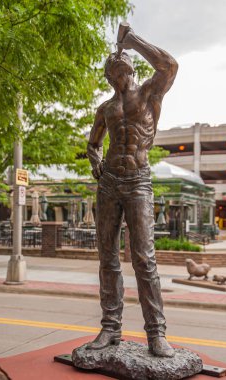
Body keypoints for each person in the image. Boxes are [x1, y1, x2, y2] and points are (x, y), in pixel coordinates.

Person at [86, 25, 178, 357]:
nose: (118, 77)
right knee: (107, 258)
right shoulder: (106, 109)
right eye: (113, 73)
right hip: (109, 183)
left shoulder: (150, 94)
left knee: (144, 258)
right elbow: (93, 143)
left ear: (132, 70)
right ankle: (110, 328)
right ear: (109, 78)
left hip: (138, 180)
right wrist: (95, 161)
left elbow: (169, 66)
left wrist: (133, 41)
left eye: (122, 71)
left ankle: (156, 333)